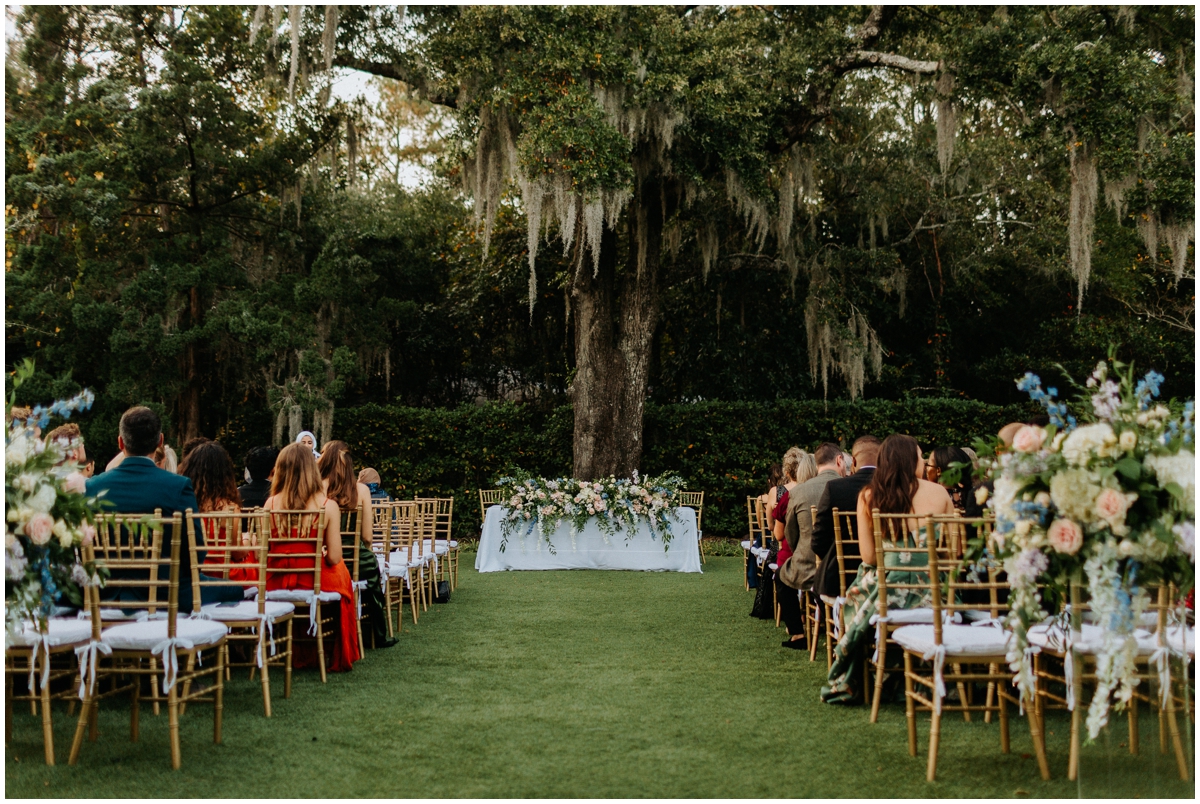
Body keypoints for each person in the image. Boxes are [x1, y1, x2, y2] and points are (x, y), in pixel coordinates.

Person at [820, 434, 954, 705]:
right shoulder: (939, 493)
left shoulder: (869, 495)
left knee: (857, 598)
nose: (923, 461)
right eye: (919, 456)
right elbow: (954, 551)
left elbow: (868, 556)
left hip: (886, 593)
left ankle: (864, 676)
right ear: (909, 460)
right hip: (935, 595)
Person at [86, 406, 242, 611]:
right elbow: (196, 550)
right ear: (160, 441)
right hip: (169, 593)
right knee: (236, 590)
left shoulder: (92, 487)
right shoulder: (178, 486)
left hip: (105, 593)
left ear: (120, 442)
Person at [264, 443, 361, 672]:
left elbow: (264, 550)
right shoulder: (327, 506)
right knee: (343, 574)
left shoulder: (270, 503)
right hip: (311, 580)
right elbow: (335, 557)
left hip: (274, 581)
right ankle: (332, 648)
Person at [319, 442, 394, 649]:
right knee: (373, 582)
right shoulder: (360, 489)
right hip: (355, 558)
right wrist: (366, 553)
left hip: (324, 557)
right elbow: (368, 536)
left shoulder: (317, 487)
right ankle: (378, 635)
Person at [778, 442, 845, 648]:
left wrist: (803, 548)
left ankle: (798, 634)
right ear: (839, 460)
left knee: (780, 577)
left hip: (808, 565)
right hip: (846, 567)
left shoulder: (799, 491)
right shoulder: (851, 486)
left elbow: (790, 534)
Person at [812, 435, 880, 601]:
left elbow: (818, 541)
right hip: (884, 575)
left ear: (854, 461)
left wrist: (837, 557)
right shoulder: (895, 489)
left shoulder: (835, 488)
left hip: (840, 580)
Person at [926, 445, 973, 511]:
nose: (926, 469)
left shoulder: (932, 497)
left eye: (928, 465)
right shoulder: (973, 496)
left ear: (938, 471)